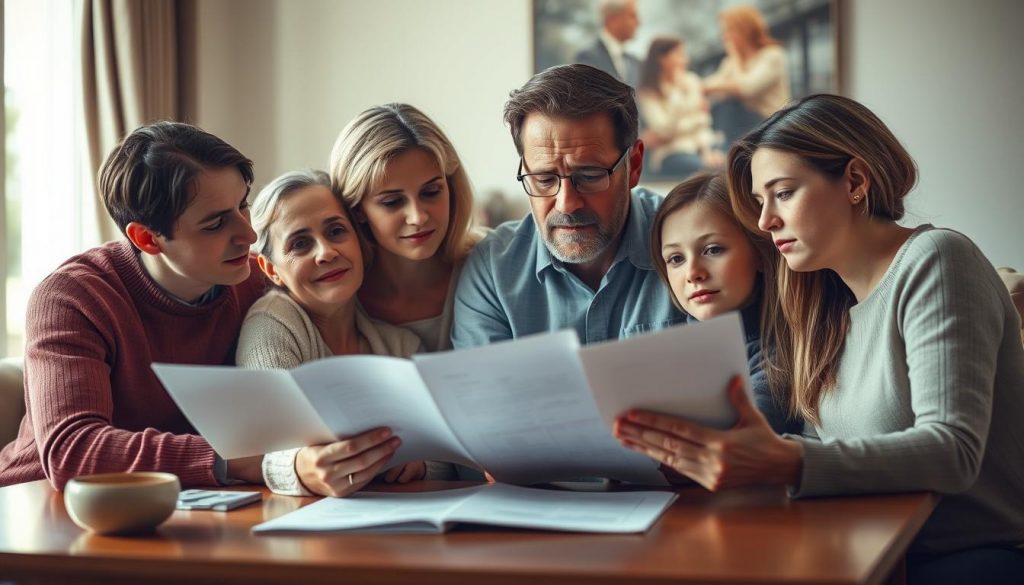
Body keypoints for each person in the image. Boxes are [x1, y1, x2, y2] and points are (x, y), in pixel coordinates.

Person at [614, 94, 1024, 582]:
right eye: (760, 202)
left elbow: (952, 451)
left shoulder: (936, 259)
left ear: (854, 181)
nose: (765, 222)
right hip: (864, 552)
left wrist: (784, 460)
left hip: (964, 558)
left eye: (782, 193)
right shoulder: (823, 307)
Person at [0, 122, 267, 490]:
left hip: (195, 500)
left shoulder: (255, 281)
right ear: (147, 238)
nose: (249, 235)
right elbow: (73, 451)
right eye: (216, 223)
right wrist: (242, 459)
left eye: (243, 206)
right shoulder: (72, 298)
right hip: (42, 505)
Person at [236, 170, 450, 497]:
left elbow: (447, 450)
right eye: (300, 243)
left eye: (336, 231)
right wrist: (299, 470)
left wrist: (420, 464)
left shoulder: (402, 345)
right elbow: (268, 445)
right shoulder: (272, 323)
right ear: (271, 270)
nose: (325, 252)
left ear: (360, 243)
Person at [452, 64, 685, 348]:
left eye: (589, 176)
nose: (567, 204)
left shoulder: (692, 240)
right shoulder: (492, 271)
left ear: (634, 165)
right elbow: (484, 390)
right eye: (544, 179)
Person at [649, 171, 798, 434]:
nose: (693, 273)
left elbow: (742, 435)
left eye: (713, 250)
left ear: (760, 254)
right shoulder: (671, 352)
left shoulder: (782, 356)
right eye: (676, 259)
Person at [328, 103, 481, 352]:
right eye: (392, 202)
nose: (418, 217)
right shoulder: (335, 291)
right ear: (357, 210)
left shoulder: (490, 265)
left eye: (431, 192)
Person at [703, 4, 790, 146]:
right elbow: (711, 84)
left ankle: (728, 152)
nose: (725, 37)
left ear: (745, 29)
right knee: (721, 105)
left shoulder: (772, 55)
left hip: (771, 122)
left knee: (728, 105)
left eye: (729, 30)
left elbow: (746, 89)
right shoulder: (731, 62)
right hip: (746, 125)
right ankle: (724, 150)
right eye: (724, 32)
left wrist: (734, 56)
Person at [636, 37, 724, 177]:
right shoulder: (649, 92)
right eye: (679, 55)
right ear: (662, 59)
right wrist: (676, 92)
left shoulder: (691, 80)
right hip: (672, 152)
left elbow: (703, 121)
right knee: (705, 170)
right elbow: (664, 130)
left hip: (705, 143)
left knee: (732, 161)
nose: (685, 60)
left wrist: (707, 153)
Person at [574, 0, 641, 87]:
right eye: (632, 16)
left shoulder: (635, 63)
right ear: (613, 19)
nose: (638, 23)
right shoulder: (587, 58)